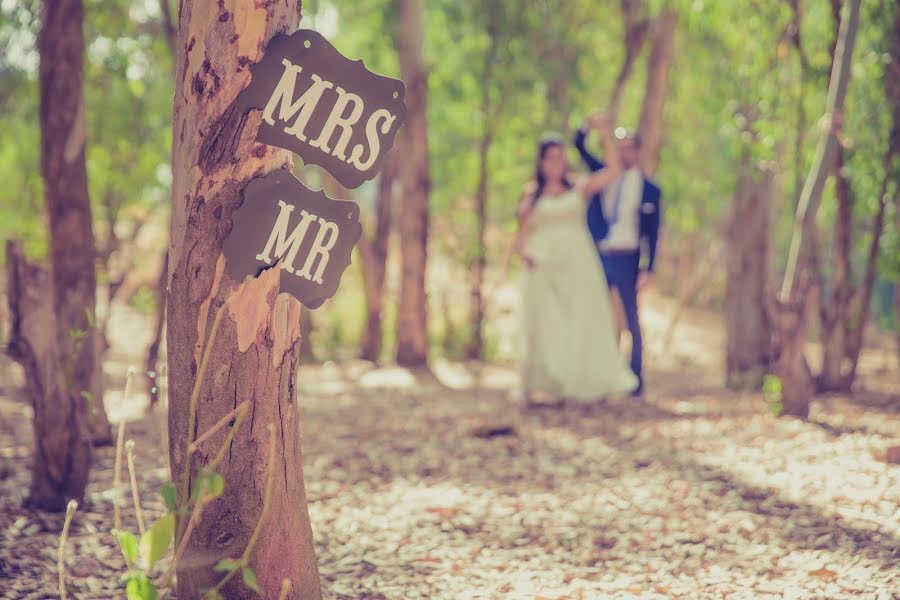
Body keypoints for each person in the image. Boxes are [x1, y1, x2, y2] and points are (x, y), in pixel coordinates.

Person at [516, 114, 639, 405]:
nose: (555, 164)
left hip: (577, 263)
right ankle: (543, 382)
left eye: (560, 158)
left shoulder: (578, 187)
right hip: (544, 266)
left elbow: (612, 171)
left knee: (581, 321)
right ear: (541, 161)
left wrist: (604, 131)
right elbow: (521, 235)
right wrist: (526, 254)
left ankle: (580, 382)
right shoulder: (532, 194)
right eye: (550, 158)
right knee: (546, 324)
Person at [573, 123, 661, 397]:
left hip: (628, 256)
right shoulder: (604, 175)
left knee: (631, 320)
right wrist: (592, 126)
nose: (624, 153)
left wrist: (649, 267)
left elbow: (653, 233)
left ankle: (635, 381)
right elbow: (578, 144)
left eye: (628, 148)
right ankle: (602, 378)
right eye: (619, 148)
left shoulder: (649, 190)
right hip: (600, 253)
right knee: (600, 317)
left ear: (637, 152)